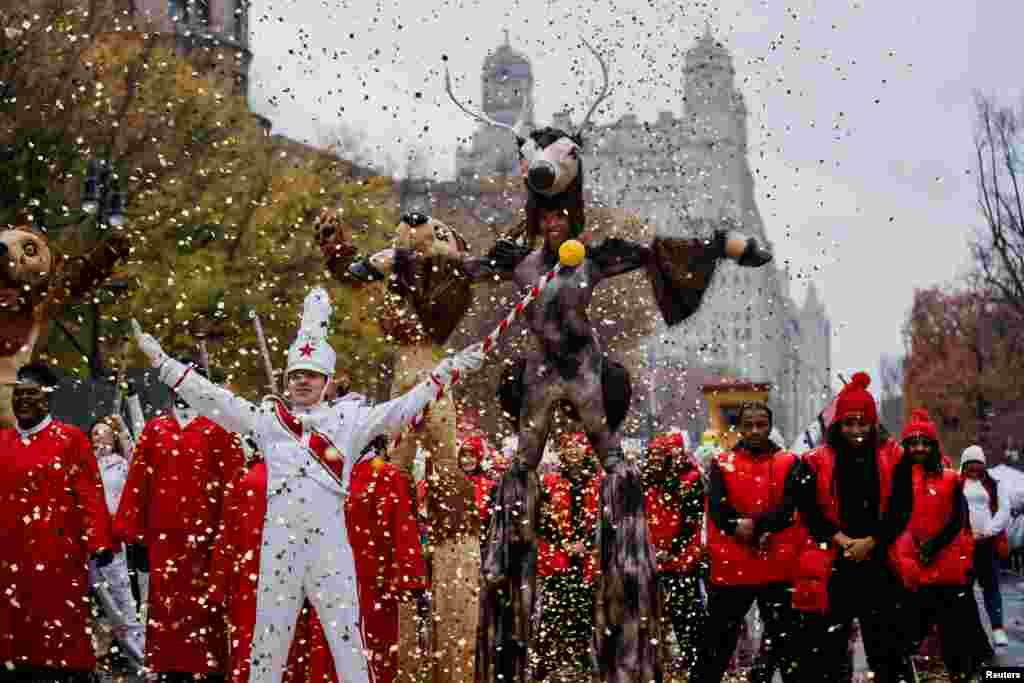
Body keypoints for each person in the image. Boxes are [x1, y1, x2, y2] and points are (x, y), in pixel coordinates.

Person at [130, 286, 485, 683]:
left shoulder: (349, 422)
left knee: (348, 642)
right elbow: (214, 399)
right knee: (266, 646)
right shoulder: (267, 421)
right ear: (286, 380)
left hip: (330, 548)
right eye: (296, 375)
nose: (302, 382)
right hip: (278, 546)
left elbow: (402, 407)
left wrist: (446, 371)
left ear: (326, 381)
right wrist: (163, 363)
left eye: (311, 376)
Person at [113, 359, 245, 683]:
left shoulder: (222, 430)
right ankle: (168, 672)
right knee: (166, 616)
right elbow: (138, 484)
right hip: (164, 547)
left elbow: (234, 491)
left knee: (206, 620)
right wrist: (134, 536)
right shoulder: (156, 430)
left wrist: (231, 542)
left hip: (207, 550)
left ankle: (208, 673)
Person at [793, 372, 916, 683]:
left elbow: (902, 509)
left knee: (887, 653)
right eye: (849, 423)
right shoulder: (816, 460)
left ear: (873, 423)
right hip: (835, 566)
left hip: (880, 563)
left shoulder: (895, 457)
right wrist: (841, 539)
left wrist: (872, 542)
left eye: (863, 422)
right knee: (830, 656)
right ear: (837, 424)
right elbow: (809, 509)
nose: (856, 430)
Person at [0, 363, 115, 683]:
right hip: (9, 559)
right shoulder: (2, 442)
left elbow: (91, 494)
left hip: (57, 558)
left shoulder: (70, 440)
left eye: (31, 394)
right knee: (12, 633)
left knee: (59, 633)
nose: (22, 401)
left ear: (47, 399)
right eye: (17, 394)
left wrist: (99, 540)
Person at [693, 402, 804, 683]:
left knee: (789, 647)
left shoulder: (789, 462)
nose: (755, 431)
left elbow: (790, 507)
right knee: (715, 647)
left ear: (770, 427)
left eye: (761, 424)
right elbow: (718, 509)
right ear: (739, 428)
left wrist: (753, 526)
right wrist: (737, 526)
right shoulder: (722, 463)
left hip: (775, 566)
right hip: (735, 567)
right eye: (749, 425)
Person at [209, 457, 338, 683]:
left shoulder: (246, 479)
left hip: (251, 591)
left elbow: (227, 542)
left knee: (252, 656)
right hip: (295, 591)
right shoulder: (314, 480)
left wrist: (219, 587)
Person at [898, 410, 991, 681]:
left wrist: (934, 547)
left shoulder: (950, 479)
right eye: (913, 442)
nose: (919, 448)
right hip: (910, 569)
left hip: (946, 569)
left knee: (955, 639)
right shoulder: (897, 478)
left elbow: (958, 520)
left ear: (934, 446)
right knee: (914, 641)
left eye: (925, 442)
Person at [345, 442, 429, 683]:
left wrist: (407, 576)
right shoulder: (332, 471)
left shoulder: (386, 475)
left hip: (373, 583)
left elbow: (403, 529)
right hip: (345, 583)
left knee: (374, 652)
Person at [642, 432, 706, 671]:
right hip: (657, 556)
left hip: (682, 557)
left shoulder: (690, 479)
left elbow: (691, 520)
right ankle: (681, 654)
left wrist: (673, 549)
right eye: (654, 454)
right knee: (668, 609)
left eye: (664, 453)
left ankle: (696, 655)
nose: (657, 459)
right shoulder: (648, 481)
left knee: (687, 608)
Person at [89, 414, 147, 672]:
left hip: (114, 543)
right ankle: (99, 657)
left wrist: (123, 428)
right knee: (93, 608)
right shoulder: (84, 465)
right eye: (95, 433)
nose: (100, 436)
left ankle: (141, 659)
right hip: (87, 543)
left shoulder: (122, 465)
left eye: (105, 432)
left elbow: (139, 460)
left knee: (123, 604)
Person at [960, 444, 1012, 648]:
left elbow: (1004, 510)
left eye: (978, 467)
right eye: (970, 467)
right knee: (963, 588)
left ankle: (998, 628)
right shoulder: (956, 483)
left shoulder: (994, 484)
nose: (974, 472)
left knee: (991, 586)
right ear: (964, 466)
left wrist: (988, 530)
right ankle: (970, 630)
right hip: (963, 544)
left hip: (986, 543)